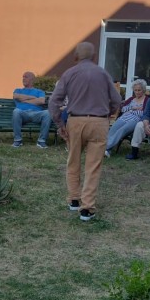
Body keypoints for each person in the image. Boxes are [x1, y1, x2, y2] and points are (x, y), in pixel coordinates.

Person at [49, 42, 121, 222]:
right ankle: (87, 208)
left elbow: (53, 101)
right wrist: (110, 111)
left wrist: (60, 123)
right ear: (94, 57)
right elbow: (117, 99)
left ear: (75, 56)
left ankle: (74, 199)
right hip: (99, 121)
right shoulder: (103, 74)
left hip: (75, 121)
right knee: (93, 166)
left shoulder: (69, 73)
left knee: (73, 161)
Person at [105, 79, 148, 157]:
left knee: (122, 130)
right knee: (113, 129)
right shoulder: (131, 99)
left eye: (139, 90)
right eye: (135, 90)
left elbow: (144, 113)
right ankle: (106, 150)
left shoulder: (147, 100)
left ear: (143, 90)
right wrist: (133, 108)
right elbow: (123, 109)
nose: (137, 92)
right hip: (124, 117)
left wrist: (131, 110)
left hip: (136, 120)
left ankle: (106, 148)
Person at [12, 71, 52, 148]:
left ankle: (41, 141)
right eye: (23, 77)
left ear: (32, 79)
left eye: (26, 77)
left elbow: (41, 101)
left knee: (47, 113)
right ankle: (17, 140)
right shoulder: (18, 90)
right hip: (22, 113)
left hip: (36, 113)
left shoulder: (39, 91)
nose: (23, 79)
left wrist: (24, 100)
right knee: (16, 111)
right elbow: (15, 96)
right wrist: (33, 98)